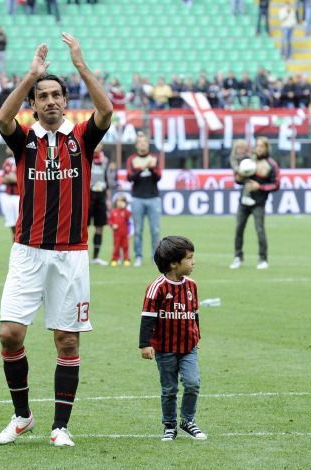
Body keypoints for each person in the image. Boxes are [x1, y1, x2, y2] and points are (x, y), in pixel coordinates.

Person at [0, 33, 112, 447]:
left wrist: (80, 64)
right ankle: (22, 415)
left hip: (71, 256)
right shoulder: (24, 141)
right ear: (34, 103)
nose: (50, 101)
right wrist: (30, 75)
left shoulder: (82, 138)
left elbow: (107, 109)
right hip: (27, 252)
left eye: (56, 95)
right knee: (10, 334)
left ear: (65, 99)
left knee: (66, 339)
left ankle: (60, 426)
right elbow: (2, 119)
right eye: (42, 96)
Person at [139, 236, 207, 441]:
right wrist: (145, 344)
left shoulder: (192, 286)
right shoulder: (157, 287)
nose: (193, 262)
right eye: (189, 258)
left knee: (193, 383)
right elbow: (147, 317)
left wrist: (198, 336)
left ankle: (188, 421)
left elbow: (194, 313)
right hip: (165, 349)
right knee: (169, 389)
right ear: (173, 263)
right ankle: (169, 425)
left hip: (188, 347)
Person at [230, 137, 280, 270]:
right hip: (243, 201)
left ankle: (263, 259)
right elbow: (239, 180)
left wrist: (260, 187)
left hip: (259, 203)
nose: (259, 148)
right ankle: (237, 257)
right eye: (257, 146)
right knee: (239, 229)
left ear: (267, 148)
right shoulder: (248, 161)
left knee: (260, 230)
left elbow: (276, 184)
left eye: (262, 146)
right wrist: (238, 177)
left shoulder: (271, 164)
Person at [127, 132, 162, 267]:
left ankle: (155, 257)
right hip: (137, 198)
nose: (143, 144)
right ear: (136, 145)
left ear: (148, 144)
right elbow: (129, 178)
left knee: (155, 230)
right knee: (138, 230)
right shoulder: (132, 159)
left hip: (153, 197)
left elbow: (158, 177)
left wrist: (151, 168)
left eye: (145, 142)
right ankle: (138, 256)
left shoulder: (154, 158)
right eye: (140, 142)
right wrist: (142, 169)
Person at [88, 143, 110, 266]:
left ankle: (96, 257)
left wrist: (108, 198)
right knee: (83, 226)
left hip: (101, 194)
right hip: (88, 194)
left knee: (100, 226)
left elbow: (107, 179)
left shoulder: (105, 160)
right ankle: (82, 256)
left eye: (100, 143)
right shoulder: (86, 156)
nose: (97, 145)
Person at [0, 146, 19, 236]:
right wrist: (12, 179)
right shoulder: (7, 162)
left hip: (20, 196)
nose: (7, 148)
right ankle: (15, 243)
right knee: (11, 223)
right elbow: (2, 179)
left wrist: (15, 179)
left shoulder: (23, 158)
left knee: (20, 223)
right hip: (8, 195)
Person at [108, 194, 131, 267]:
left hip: (124, 233)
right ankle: (114, 259)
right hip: (116, 234)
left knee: (125, 247)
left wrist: (125, 208)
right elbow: (109, 221)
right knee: (116, 247)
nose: (120, 203)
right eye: (118, 201)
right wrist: (112, 225)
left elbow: (129, 217)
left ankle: (126, 259)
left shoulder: (126, 212)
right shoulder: (113, 211)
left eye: (122, 202)